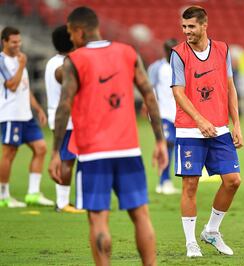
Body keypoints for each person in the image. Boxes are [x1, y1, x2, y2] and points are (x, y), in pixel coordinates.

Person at [48, 7, 168, 265]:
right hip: (128, 150)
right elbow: (149, 95)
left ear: (79, 31)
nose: (71, 38)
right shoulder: (128, 52)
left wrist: (56, 152)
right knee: (141, 215)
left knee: (98, 219)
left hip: (93, 153)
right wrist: (160, 141)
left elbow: (64, 107)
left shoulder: (75, 61)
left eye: (70, 32)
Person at [170, 6, 243, 257]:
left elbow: (230, 87)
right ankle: (191, 242)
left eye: (191, 26)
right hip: (190, 130)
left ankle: (211, 230)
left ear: (204, 25)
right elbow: (178, 92)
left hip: (220, 128)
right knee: (190, 186)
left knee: (233, 181)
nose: (186, 31)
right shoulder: (178, 54)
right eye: (183, 27)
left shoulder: (223, 49)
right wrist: (200, 120)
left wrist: (237, 124)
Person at [0, 26, 54, 208]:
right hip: (10, 115)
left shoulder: (19, 58)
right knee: (9, 153)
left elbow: (24, 88)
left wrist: (38, 109)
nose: (18, 45)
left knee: (40, 148)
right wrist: (22, 64)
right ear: (5, 42)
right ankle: (3, 195)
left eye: (19, 41)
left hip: (26, 114)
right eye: (14, 42)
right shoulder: (2, 61)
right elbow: (12, 86)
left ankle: (33, 193)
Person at [45, 25, 84, 213]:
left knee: (66, 158)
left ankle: (63, 202)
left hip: (56, 115)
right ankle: (62, 203)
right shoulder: (65, 65)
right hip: (66, 119)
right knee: (68, 160)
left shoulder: (52, 61)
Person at [147, 38, 179, 195]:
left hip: (179, 116)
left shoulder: (182, 66)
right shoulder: (157, 68)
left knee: (177, 146)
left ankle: (167, 181)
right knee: (167, 144)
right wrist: (151, 112)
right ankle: (163, 181)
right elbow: (149, 90)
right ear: (165, 50)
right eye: (170, 50)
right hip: (163, 115)